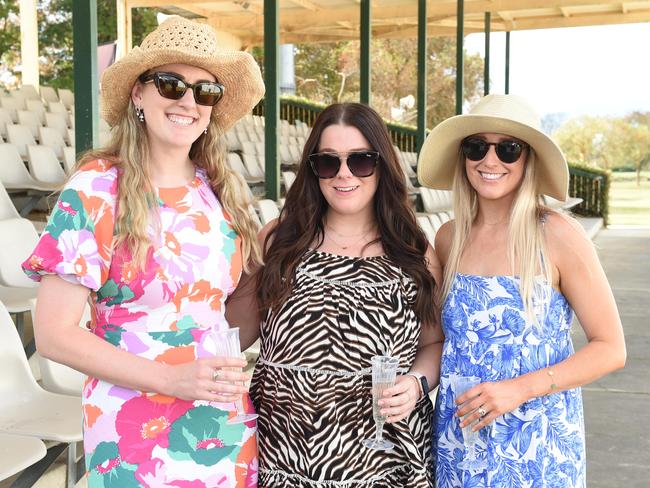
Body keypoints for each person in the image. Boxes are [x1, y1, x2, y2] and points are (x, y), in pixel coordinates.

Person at [21, 17, 264, 487]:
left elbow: (227, 319)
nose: (188, 101)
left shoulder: (219, 191)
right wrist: (173, 380)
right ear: (138, 93)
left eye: (205, 91)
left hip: (220, 424)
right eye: (171, 84)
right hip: (132, 431)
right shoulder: (95, 188)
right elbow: (52, 335)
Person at [226, 102, 444, 487]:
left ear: (382, 166)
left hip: (383, 458)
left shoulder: (413, 251)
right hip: (285, 453)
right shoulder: (278, 240)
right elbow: (234, 335)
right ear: (313, 169)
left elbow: (434, 343)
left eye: (360, 161)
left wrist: (415, 385)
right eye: (328, 162)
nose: (343, 174)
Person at [417, 94, 626, 488]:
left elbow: (611, 348)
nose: (489, 161)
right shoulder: (448, 238)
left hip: (537, 449)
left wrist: (519, 389)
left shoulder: (558, 235)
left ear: (528, 159)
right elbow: (441, 340)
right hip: (460, 443)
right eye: (476, 147)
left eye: (508, 149)